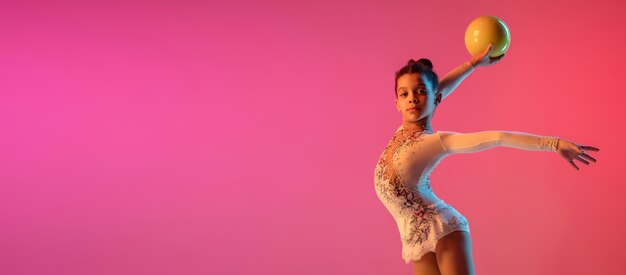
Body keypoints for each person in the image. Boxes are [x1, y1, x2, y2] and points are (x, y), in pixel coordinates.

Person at [373, 46, 599, 275]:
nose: (412, 99)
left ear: (436, 98)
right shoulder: (405, 126)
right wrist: (473, 63)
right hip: (415, 237)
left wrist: (554, 144)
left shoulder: (436, 141)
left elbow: (497, 138)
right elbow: (437, 89)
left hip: (442, 229)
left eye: (420, 92)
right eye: (405, 94)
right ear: (397, 104)